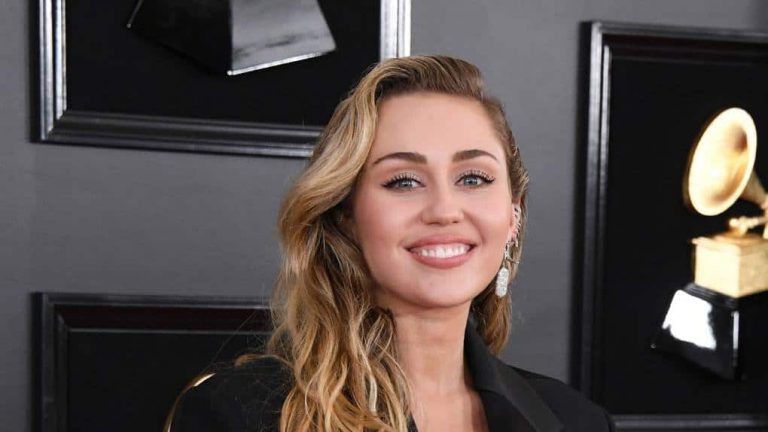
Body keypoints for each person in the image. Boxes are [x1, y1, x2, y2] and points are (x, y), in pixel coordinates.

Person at [167, 55, 614, 432]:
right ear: (345, 216)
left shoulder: (578, 420)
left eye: (473, 178)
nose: (444, 210)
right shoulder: (237, 414)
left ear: (513, 214)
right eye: (403, 181)